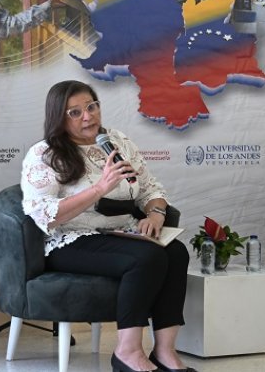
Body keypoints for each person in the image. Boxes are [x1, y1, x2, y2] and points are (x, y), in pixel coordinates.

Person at [20, 80, 197, 372]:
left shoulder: (117, 142)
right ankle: (127, 353)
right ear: (59, 118)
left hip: (121, 232)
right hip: (70, 239)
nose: (87, 116)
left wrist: (155, 215)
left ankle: (164, 353)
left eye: (91, 107)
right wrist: (100, 187)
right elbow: (45, 216)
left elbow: (150, 189)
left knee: (176, 252)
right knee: (147, 257)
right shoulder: (44, 154)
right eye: (74, 112)